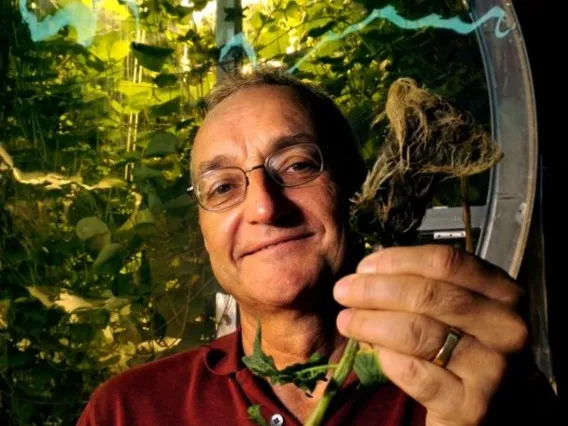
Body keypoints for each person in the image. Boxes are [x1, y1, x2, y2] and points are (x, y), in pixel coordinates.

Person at [77, 66, 558, 426]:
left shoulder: (470, 382)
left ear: (357, 187)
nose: (265, 208)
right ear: (203, 231)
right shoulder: (125, 410)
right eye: (222, 187)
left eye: (297, 165)